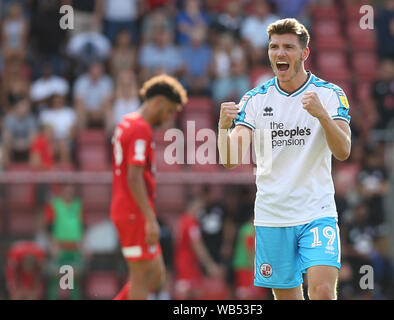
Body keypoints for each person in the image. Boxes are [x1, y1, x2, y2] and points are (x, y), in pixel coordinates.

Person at [217, 18, 352, 300]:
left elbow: (343, 150)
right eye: (274, 47)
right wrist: (221, 129)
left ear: (304, 53)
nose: (280, 53)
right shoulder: (254, 100)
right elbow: (230, 160)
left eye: (288, 47)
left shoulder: (329, 95)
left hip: (317, 211)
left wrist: (322, 116)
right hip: (273, 216)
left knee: (324, 290)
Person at [111, 74, 187, 300]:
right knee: (142, 277)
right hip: (133, 211)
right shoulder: (140, 128)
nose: (168, 118)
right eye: (170, 110)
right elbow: (134, 178)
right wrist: (150, 218)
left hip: (131, 209)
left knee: (155, 275)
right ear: (158, 102)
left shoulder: (127, 121)